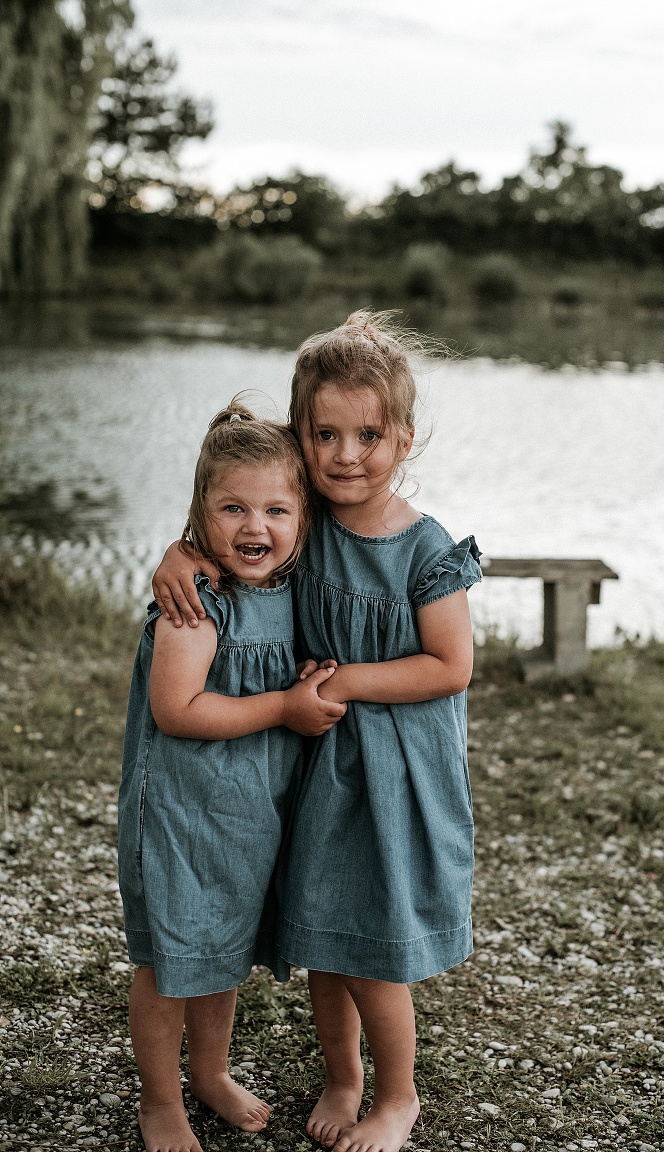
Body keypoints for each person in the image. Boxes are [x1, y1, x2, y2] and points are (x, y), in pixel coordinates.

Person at [152, 313, 483, 1152]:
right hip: (320, 761)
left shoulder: (426, 549)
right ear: (300, 439)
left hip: (393, 771)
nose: (345, 455)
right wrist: (179, 554)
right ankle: (344, 1077)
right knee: (326, 934)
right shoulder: (306, 521)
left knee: (370, 944)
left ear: (405, 438)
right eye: (324, 434)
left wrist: (346, 681)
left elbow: (451, 666)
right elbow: (234, 524)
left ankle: (398, 1095)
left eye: (367, 435)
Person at [119, 401, 346, 1152]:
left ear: (303, 518)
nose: (256, 526)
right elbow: (178, 709)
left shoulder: (288, 587)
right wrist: (283, 705)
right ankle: (160, 1101)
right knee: (170, 960)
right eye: (233, 508)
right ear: (200, 513)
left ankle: (210, 1073)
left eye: (276, 510)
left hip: (248, 808)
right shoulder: (195, 603)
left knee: (220, 949)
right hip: (181, 812)